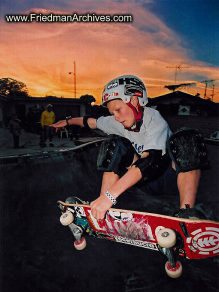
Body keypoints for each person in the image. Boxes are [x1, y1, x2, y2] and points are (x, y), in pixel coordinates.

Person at [51, 75, 208, 220]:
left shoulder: (153, 118)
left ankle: (187, 214)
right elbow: (90, 122)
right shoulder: (117, 121)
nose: (116, 117)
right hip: (144, 182)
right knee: (113, 144)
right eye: (112, 113)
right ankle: (102, 208)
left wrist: (111, 196)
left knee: (186, 138)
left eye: (118, 110)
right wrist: (67, 121)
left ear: (134, 101)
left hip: (170, 179)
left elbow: (151, 159)